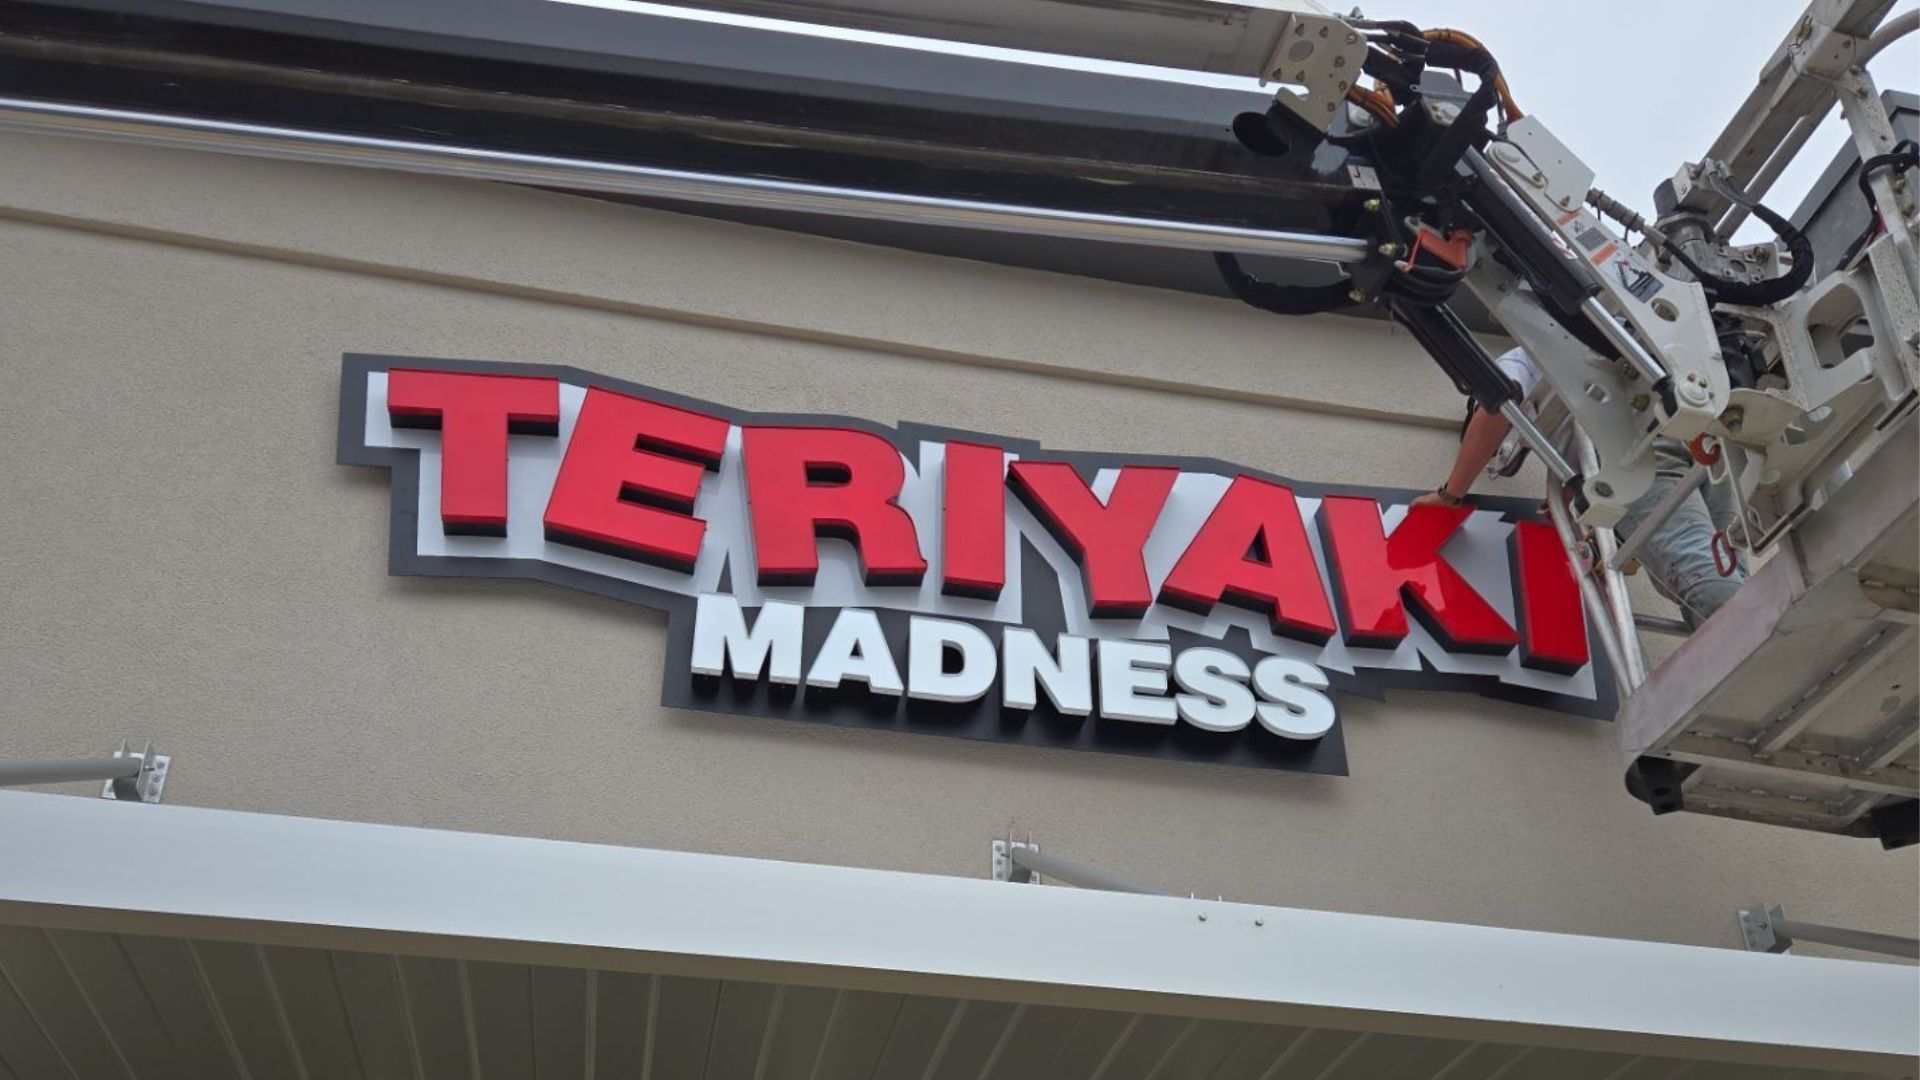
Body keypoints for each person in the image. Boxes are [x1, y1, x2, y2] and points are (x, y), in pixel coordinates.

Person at [1410, 348, 1747, 629]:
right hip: (1702, 433)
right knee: (1728, 568)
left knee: (1704, 579)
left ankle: (1744, 646)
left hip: (1637, 447)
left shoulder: (1522, 355)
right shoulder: (1579, 350)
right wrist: (1570, 500)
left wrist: (1450, 495)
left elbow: (1497, 404)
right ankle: (1746, 634)